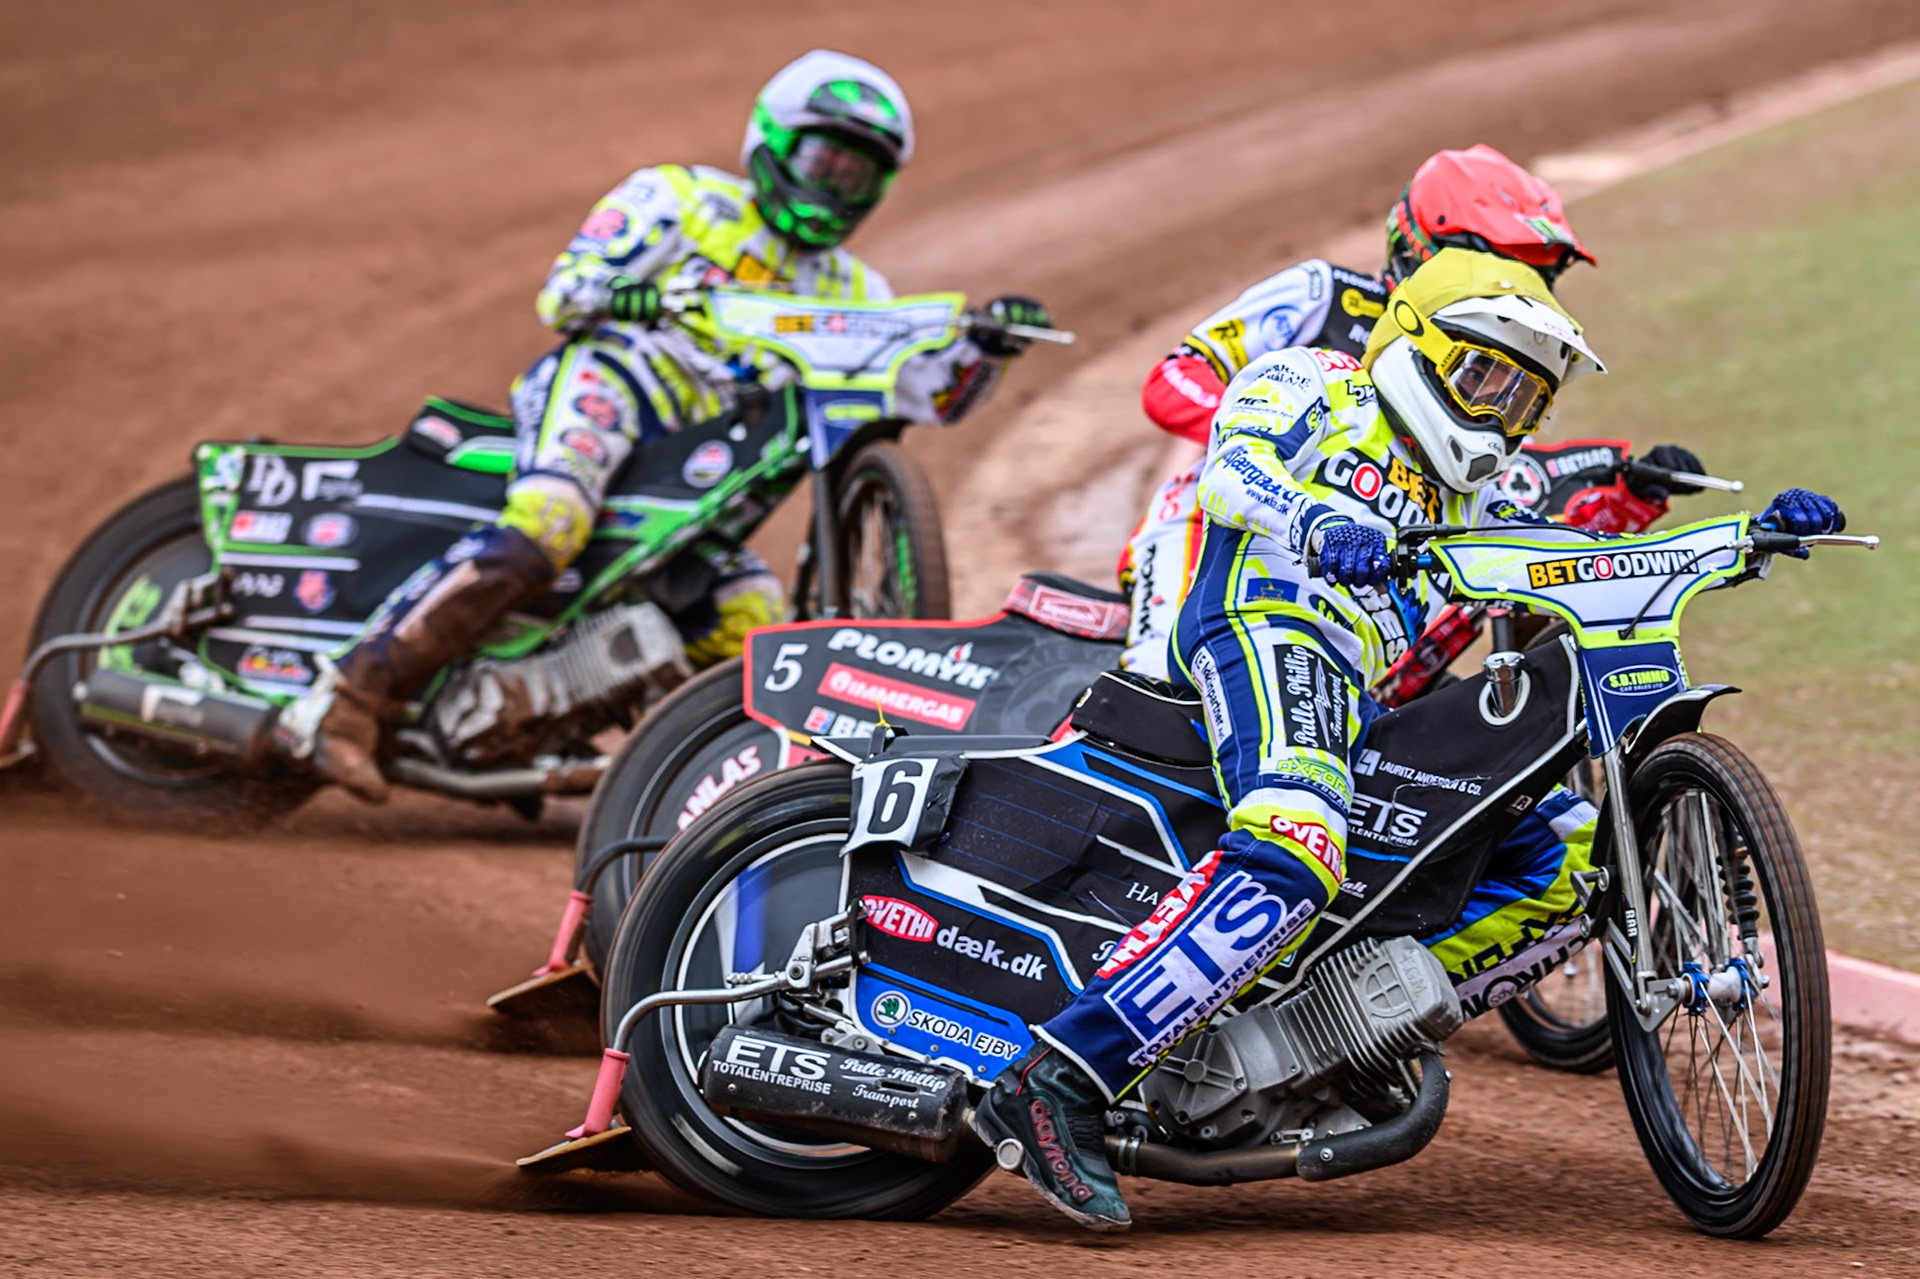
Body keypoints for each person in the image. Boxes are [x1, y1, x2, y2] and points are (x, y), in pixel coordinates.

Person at [972, 247, 1845, 1231]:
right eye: (1485, 378)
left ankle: (1336, 1032)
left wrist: (1740, 542)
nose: (1500, 413)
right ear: (1415, 350)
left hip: (1369, 688)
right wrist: (1313, 519)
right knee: (1297, 848)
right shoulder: (1312, 381)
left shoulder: (1493, 488)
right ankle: (1061, 1078)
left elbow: (1581, 561)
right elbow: (1229, 472)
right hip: (1262, 626)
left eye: (1524, 398)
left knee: (1562, 856)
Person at [276, 49, 1051, 802]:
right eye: (823, 162)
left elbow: (925, 396)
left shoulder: (854, 287)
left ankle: (682, 791)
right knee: (549, 524)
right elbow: (565, 291)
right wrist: (628, 295)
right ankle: (346, 697)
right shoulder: (680, 200)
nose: (836, 187)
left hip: (705, 480)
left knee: (756, 629)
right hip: (616, 389)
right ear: (773, 145)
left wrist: (988, 348)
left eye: (857, 175)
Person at [1119, 144, 1704, 678]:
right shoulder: (1324, 294)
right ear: (1422, 247)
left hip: (1378, 554)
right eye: (1507, 262)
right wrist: (1269, 429)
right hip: (1220, 520)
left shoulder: (1498, 357)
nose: (1521, 287)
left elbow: (1485, 470)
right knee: (1155, 689)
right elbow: (1172, 381)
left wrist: (1622, 477)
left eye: (1540, 275)